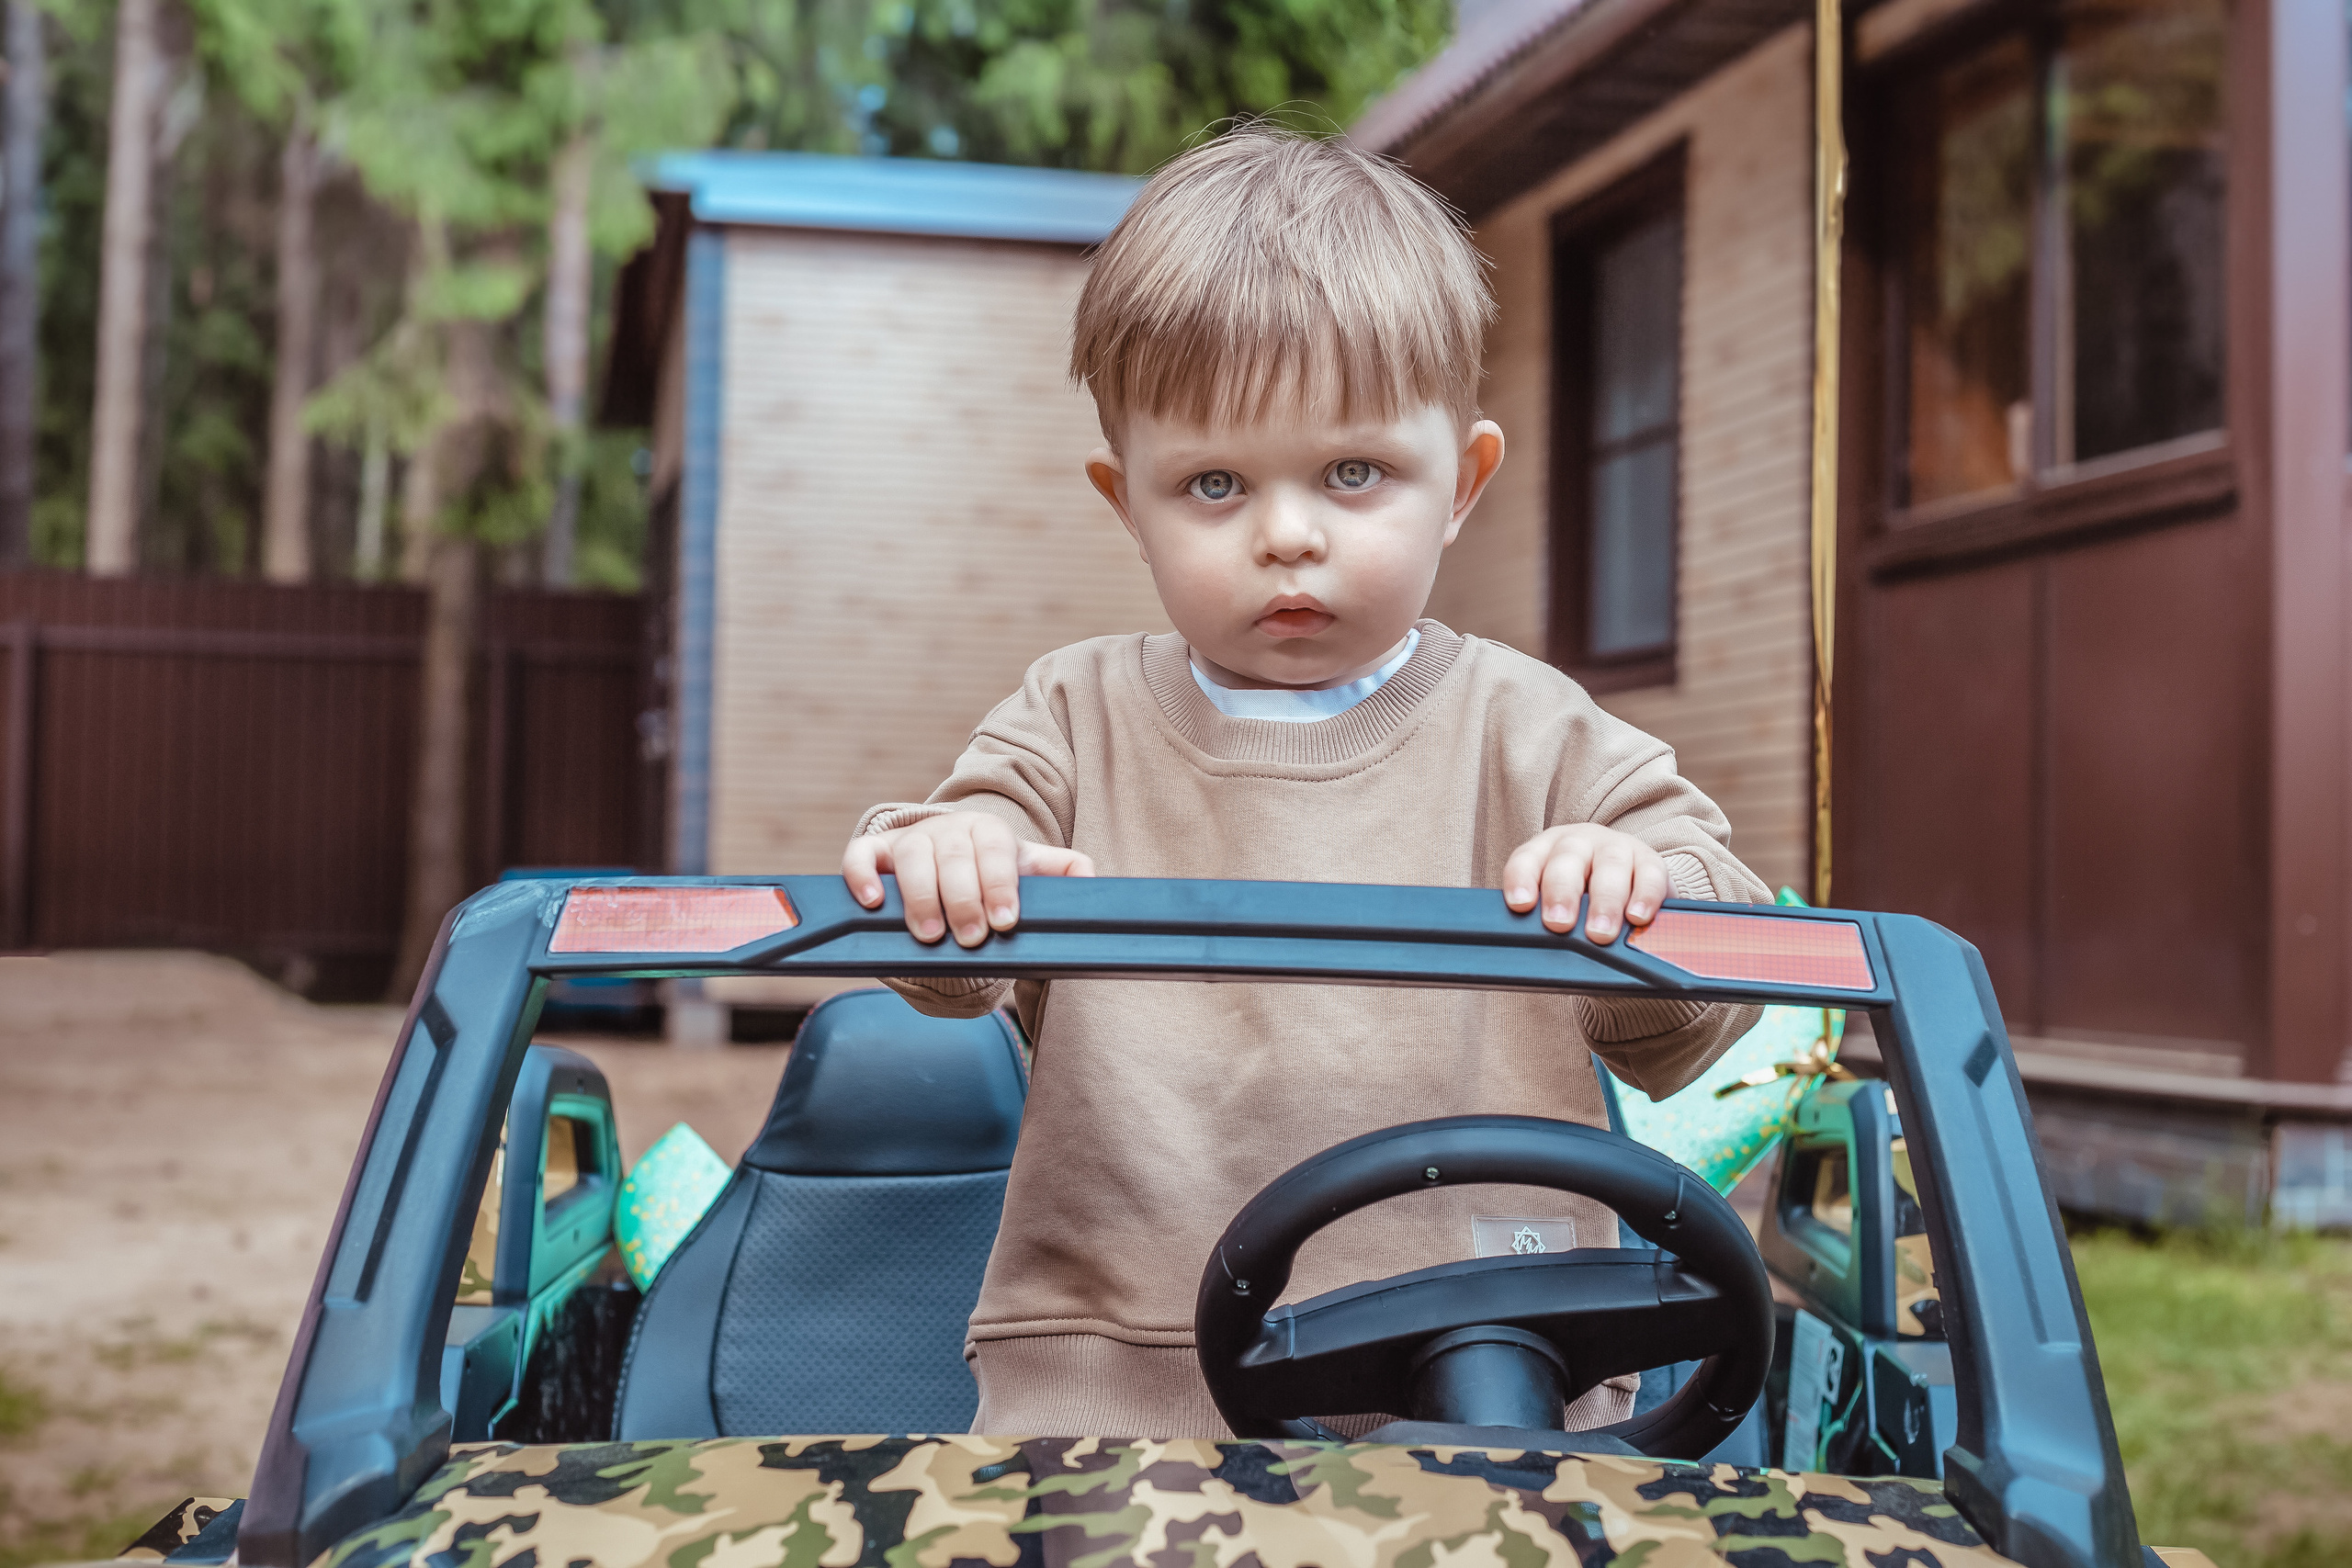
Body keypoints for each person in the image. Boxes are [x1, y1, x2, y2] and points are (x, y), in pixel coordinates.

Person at [841, 125, 1770, 1438]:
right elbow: (946, 952)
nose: (1288, 532)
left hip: (1492, 1377)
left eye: (1354, 473)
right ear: (1129, 503)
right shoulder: (1075, 715)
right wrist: (952, 853)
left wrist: (1644, 883)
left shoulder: (1530, 730)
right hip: (1112, 1393)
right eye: (1214, 483)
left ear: (1463, 482)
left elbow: (1700, 1001)